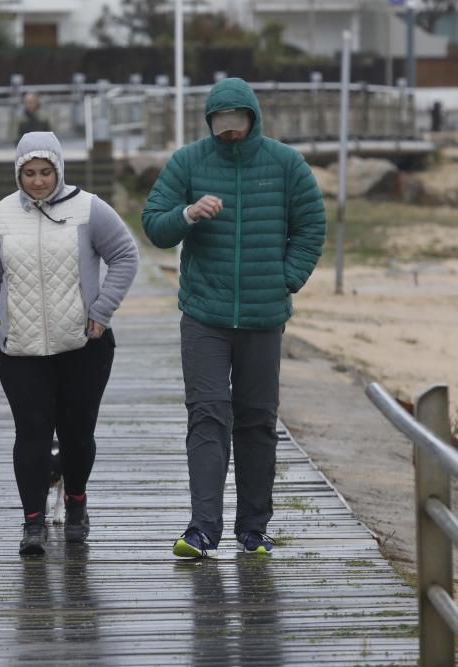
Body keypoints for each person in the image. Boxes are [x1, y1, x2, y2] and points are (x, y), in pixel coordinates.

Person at [141, 77, 326, 559]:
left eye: (238, 124)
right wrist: (187, 215)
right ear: (210, 124)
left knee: (258, 421)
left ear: (253, 117)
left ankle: (254, 529)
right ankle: (203, 529)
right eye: (221, 126)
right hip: (204, 313)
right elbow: (154, 226)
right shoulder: (188, 162)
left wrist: (286, 278)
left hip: (264, 318)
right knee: (206, 415)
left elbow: (311, 226)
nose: (231, 134)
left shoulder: (287, 165)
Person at [0, 131, 139, 556]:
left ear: (58, 170)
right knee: (32, 435)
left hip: (84, 346)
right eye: (29, 173)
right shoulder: (1, 218)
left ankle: (76, 502)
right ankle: (33, 522)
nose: (38, 181)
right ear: (17, 173)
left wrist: (101, 311)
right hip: (20, 349)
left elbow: (125, 256)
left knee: (78, 436)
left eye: (45, 172)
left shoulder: (90, 209)